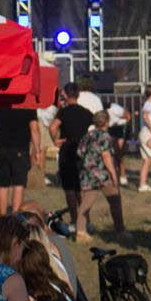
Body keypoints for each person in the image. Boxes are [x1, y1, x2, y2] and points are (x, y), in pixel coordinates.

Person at [52, 87, 95, 230]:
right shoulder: (86, 112)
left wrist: (55, 140)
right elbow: (95, 126)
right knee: (81, 188)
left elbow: (53, 127)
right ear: (78, 95)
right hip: (81, 152)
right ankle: (86, 221)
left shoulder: (63, 112)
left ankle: (74, 220)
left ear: (65, 95)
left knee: (69, 188)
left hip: (66, 150)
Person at [75, 110, 122, 236]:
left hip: (88, 173)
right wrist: (113, 174)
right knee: (115, 201)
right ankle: (120, 230)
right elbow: (106, 156)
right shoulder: (105, 136)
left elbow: (80, 152)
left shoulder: (87, 135)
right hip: (103, 174)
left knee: (85, 204)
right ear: (107, 121)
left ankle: (80, 232)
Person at [0, 102, 36, 217]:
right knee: (18, 184)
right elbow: (34, 129)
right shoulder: (28, 106)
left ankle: (2, 217)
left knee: (3, 185)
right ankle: (15, 217)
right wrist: (37, 149)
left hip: (2, 148)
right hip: (20, 149)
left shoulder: (1, 104)